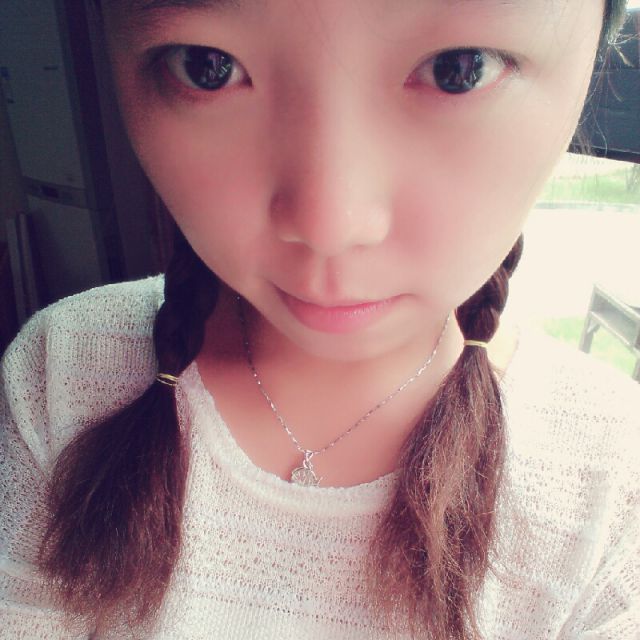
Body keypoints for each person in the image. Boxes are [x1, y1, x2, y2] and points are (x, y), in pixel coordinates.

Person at [1, 0, 638, 638]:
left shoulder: (611, 488)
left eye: (457, 69)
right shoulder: (64, 375)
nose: (329, 225)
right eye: (207, 67)